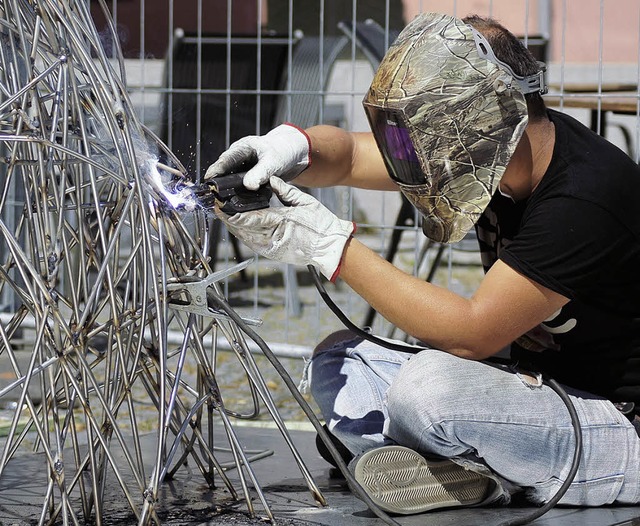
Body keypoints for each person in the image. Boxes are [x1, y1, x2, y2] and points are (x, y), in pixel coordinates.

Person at [206, 12, 640, 515]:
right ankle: (463, 467)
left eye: (434, 135)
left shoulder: (585, 196)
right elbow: (346, 157)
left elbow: (470, 334)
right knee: (338, 358)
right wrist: (289, 149)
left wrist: (328, 245)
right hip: (540, 387)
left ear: (491, 117)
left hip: (617, 422)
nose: (422, 157)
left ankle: (471, 469)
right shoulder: (498, 154)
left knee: (427, 390)